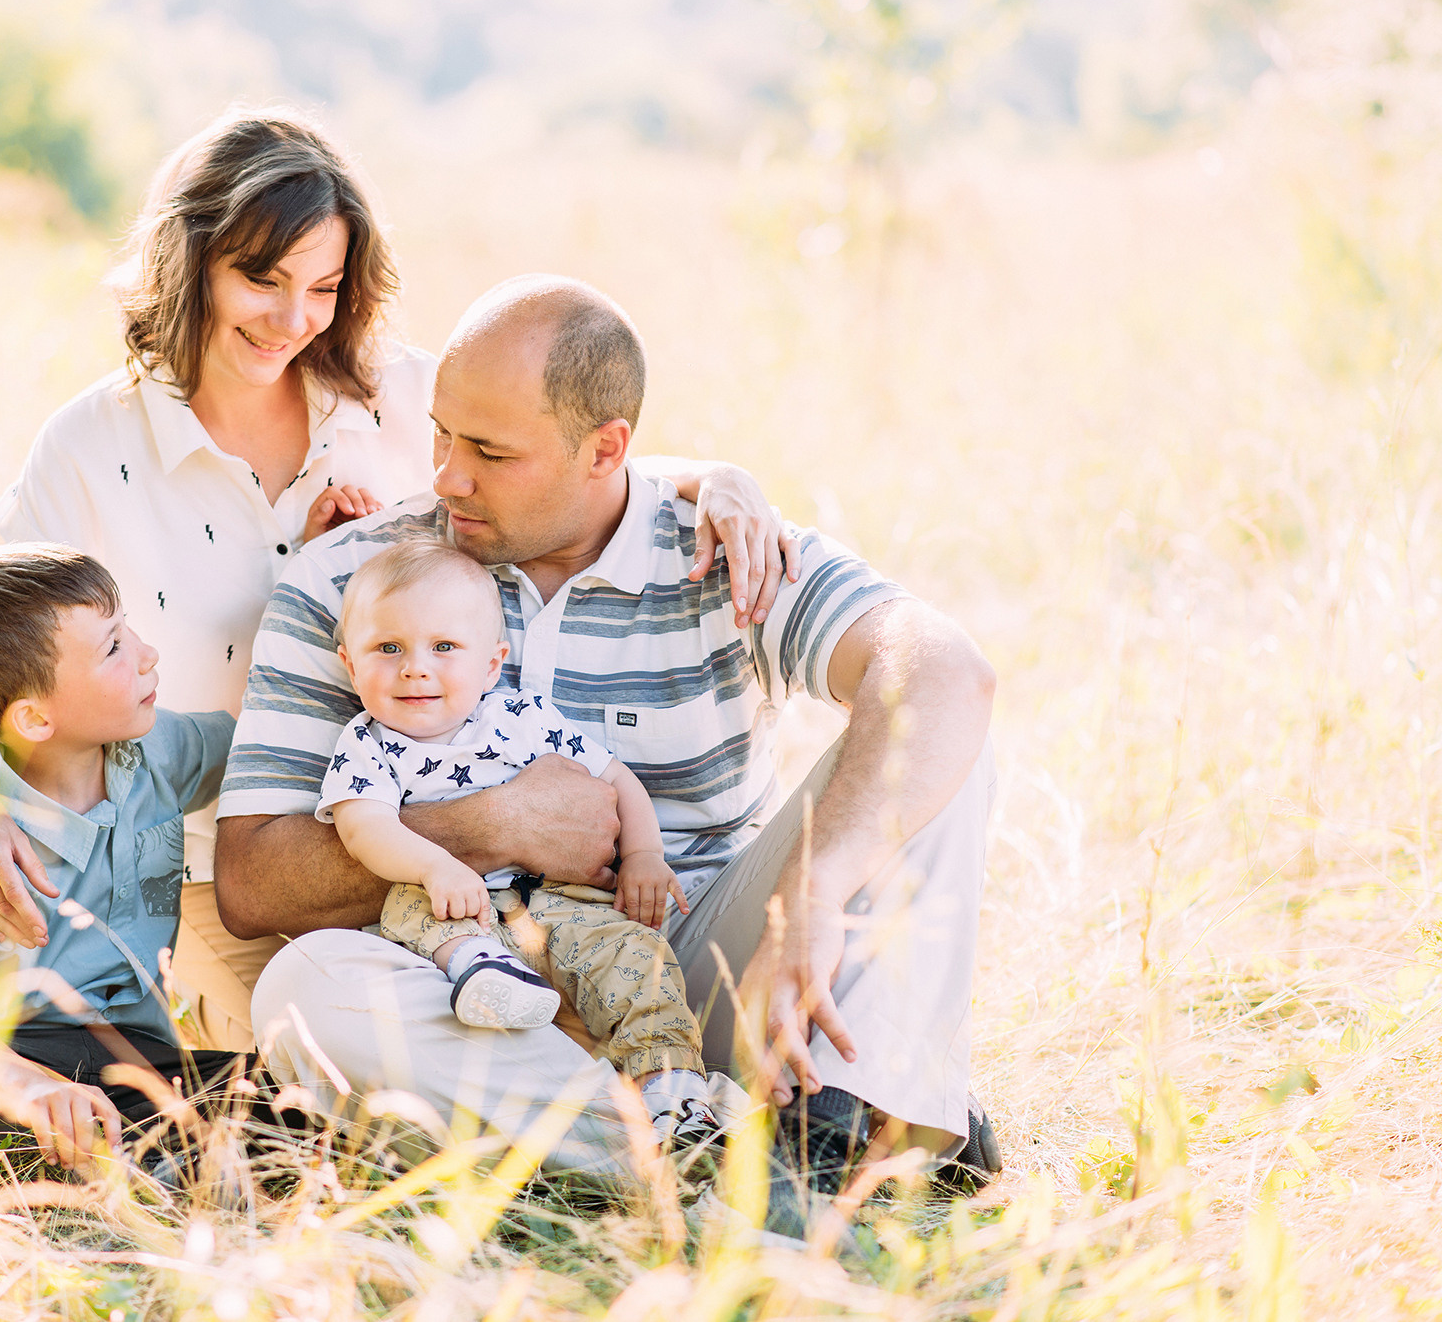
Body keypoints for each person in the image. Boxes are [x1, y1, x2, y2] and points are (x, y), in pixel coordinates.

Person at [0, 107, 806, 1052]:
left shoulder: (398, 395)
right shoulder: (90, 449)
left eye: (324, 287)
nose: (294, 321)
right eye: (261, 279)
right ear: (189, 262)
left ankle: (673, 1103)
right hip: (228, 872)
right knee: (332, 1040)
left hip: (447, 828)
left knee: (525, 1017)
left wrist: (710, 478)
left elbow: (561, 461)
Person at [215, 275, 999, 1202]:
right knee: (304, 989)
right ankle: (733, 1165)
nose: (448, 476)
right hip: (469, 988)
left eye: (490, 451)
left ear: (607, 449)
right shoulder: (354, 581)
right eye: (442, 434)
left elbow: (943, 667)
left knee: (936, 737)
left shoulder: (728, 551)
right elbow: (252, 881)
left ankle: (836, 1114)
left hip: (698, 964)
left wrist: (817, 890)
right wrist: (493, 823)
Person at [317, 540, 720, 1155]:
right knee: (405, 908)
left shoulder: (521, 717)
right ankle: (482, 972)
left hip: (561, 901)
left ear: (491, 664)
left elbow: (616, 779)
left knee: (637, 956)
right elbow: (363, 827)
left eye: (443, 647)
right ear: (351, 665)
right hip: (454, 908)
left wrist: (643, 856)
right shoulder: (367, 743)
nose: (415, 668)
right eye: (388, 648)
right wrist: (435, 866)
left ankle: (672, 1092)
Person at [0, 543, 243, 1174]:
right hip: (21, 1050)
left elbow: (259, 744)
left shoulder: (158, 750)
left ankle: (99, 1152)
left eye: (126, 628)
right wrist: (24, 1083)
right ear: (34, 718)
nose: (147, 653)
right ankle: (53, 1139)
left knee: (280, 1094)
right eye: (113, 648)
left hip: (139, 1060)